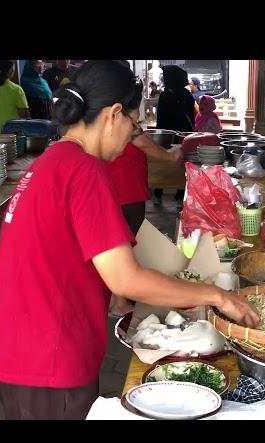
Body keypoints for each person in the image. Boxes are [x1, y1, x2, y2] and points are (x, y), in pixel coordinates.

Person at [0, 60, 258, 420]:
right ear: (113, 114)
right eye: (133, 122)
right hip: (48, 357)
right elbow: (127, 278)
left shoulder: (51, 161)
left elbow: (61, 254)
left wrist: (112, 297)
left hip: (19, 349)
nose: (133, 134)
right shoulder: (85, 170)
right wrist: (218, 296)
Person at [105, 80, 184, 317]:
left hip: (119, 185)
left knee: (118, 240)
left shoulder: (106, 108)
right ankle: (118, 301)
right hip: (124, 187)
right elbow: (142, 142)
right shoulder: (121, 112)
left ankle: (113, 296)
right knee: (124, 241)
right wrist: (170, 157)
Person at [154, 65, 196, 206]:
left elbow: (161, 118)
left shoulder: (165, 95)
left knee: (162, 162)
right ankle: (180, 192)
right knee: (181, 162)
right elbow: (191, 115)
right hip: (183, 134)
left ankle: (158, 191)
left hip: (167, 134)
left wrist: (159, 134)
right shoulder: (188, 95)